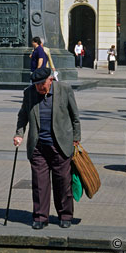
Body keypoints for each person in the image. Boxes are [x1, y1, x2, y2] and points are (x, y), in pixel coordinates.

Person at [14, 67, 81, 230]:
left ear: (50, 80)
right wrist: (19, 134)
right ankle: (40, 217)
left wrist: (76, 138)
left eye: (42, 84)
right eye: (36, 85)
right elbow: (23, 115)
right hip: (38, 146)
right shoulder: (29, 93)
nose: (39, 88)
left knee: (63, 183)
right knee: (39, 184)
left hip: (60, 145)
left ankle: (65, 215)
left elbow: (75, 117)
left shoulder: (64, 89)